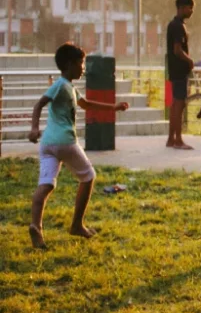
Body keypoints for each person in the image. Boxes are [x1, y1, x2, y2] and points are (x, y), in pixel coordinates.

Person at [27, 43, 129, 249]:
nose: (83, 67)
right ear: (69, 65)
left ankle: (35, 226)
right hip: (64, 141)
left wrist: (114, 107)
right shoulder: (61, 85)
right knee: (88, 176)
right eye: (81, 63)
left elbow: (88, 105)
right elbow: (39, 103)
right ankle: (76, 225)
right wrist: (33, 127)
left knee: (46, 185)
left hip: (48, 144)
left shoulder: (70, 88)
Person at [167, 0, 196, 150]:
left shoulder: (174, 25)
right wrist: (189, 60)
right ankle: (178, 140)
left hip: (175, 70)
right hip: (179, 71)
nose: (191, 11)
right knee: (179, 105)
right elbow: (177, 50)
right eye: (190, 8)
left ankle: (171, 138)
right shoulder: (178, 26)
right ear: (182, 7)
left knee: (175, 105)